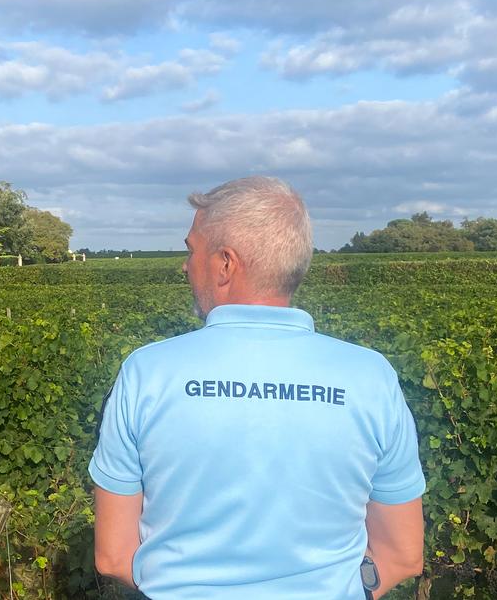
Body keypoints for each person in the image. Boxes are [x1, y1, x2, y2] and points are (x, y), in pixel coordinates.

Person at [88, 177, 425, 599]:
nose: (185, 265)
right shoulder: (371, 377)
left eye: (192, 250)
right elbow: (404, 555)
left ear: (225, 264)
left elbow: (114, 557)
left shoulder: (146, 372)